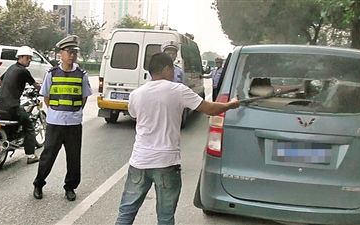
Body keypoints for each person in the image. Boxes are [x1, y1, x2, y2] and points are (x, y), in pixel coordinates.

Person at [115, 53, 239, 225]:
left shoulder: (136, 94)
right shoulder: (178, 90)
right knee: (165, 217)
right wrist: (231, 104)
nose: (174, 72)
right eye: (172, 68)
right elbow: (210, 109)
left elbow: (135, 116)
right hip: (166, 163)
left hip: (139, 161)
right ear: (166, 68)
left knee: (126, 213)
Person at [32, 35, 93, 201]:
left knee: (74, 158)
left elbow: (84, 98)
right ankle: (38, 184)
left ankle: (70, 187)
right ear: (61, 53)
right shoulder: (51, 74)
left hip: (74, 124)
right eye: (69, 51)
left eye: (74, 52)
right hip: (55, 123)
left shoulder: (82, 75)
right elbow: (46, 97)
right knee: (48, 156)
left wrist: (74, 112)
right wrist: (56, 112)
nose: (72, 55)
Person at [0, 46, 40, 164]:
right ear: (20, 57)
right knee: (29, 126)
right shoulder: (23, 71)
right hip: (12, 107)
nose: (29, 60)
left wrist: (8, 89)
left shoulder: (11, 68)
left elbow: (0, 81)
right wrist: (43, 89)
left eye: (30, 58)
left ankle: (11, 137)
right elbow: (36, 85)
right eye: (27, 58)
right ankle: (31, 155)